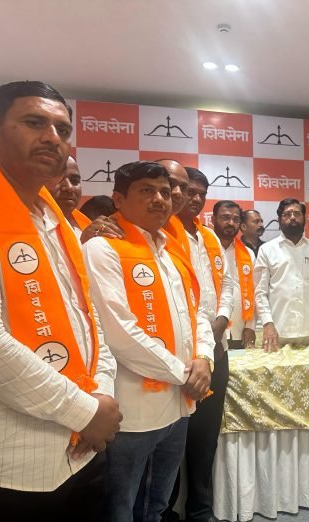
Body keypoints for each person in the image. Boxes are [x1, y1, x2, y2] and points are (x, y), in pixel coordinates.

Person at [0, 80, 121, 521]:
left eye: (63, 129)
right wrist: (84, 410)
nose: (52, 138)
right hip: (10, 464)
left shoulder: (54, 218)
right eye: (34, 122)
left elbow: (88, 316)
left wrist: (100, 397)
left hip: (82, 452)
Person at [83, 160, 215, 521]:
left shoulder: (169, 251)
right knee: (123, 509)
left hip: (178, 406)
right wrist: (185, 373)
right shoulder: (103, 248)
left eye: (164, 192)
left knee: (157, 506)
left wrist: (204, 358)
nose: (160, 199)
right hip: (135, 412)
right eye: (146, 191)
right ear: (118, 200)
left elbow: (196, 312)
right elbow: (119, 332)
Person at [163, 166, 234, 522]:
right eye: (188, 190)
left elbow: (228, 284)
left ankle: (200, 510)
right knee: (170, 440)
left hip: (216, 349)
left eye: (200, 194)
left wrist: (220, 322)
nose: (193, 198)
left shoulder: (208, 237)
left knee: (205, 438)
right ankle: (166, 511)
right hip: (177, 355)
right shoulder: (160, 233)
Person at [254, 198, 309, 350]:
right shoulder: (267, 250)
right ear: (279, 219)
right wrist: (267, 323)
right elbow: (260, 292)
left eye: (297, 213)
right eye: (287, 214)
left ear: (304, 219)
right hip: (278, 333)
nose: (292, 217)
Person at [211, 197, 257, 350]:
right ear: (213, 219)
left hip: (239, 332)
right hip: (209, 330)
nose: (231, 223)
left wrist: (250, 326)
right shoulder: (202, 249)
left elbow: (254, 291)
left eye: (236, 219)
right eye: (225, 218)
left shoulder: (248, 254)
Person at [46, 155, 91, 235]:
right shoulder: (31, 224)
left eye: (74, 180)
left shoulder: (87, 227)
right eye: (59, 179)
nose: (69, 187)